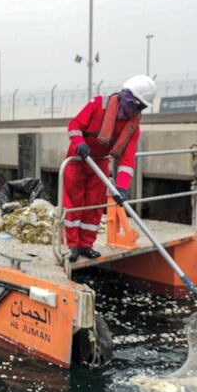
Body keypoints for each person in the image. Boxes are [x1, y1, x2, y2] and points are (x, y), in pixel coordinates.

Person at [63, 75, 156, 262]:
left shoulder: (132, 128)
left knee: (95, 206)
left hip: (100, 163)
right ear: (127, 98)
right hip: (77, 159)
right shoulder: (98, 105)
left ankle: (86, 245)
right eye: (137, 106)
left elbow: (127, 160)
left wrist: (121, 187)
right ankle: (72, 245)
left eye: (141, 108)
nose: (137, 111)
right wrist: (79, 143)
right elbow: (74, 125)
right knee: (74, 204)